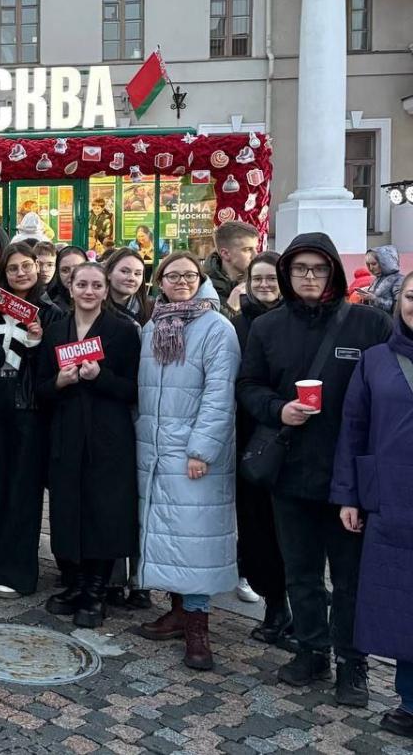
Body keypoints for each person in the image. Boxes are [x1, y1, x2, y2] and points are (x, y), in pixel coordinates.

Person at [237, 233, 390, 705]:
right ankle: (311, 649)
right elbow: (248, 385)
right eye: (300, 268)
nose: (309, 277)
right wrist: (278, 409)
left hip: (348, 477)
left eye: (318, 268)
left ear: (333, 273)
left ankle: (352, 663)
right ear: (287, 273)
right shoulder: (268, 327)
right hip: (290, 470)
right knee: (300, 571)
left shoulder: (369, 323)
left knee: (349, 578)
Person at [135, 252, 239, 672]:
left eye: (189, 275)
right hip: (155, 448)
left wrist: (202, 449)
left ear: (201, 279)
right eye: (172, 275)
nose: (181, 281)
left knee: (194, 538)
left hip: (193, 452)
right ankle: (177, 610)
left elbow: (220, 393)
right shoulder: (153, 326)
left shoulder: (216, 327)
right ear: (160, 281)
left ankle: (198, 627)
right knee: (168, 535)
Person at [36, 262, 140, 628]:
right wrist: (60, 382)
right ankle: (75, 583)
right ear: (71, 287)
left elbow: (134, 389)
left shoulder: (123, 331)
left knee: (103, 511)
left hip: (108, 436)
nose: (89, 291)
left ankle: (96, 589)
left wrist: (101, 376)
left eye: (96, 285)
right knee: (67, 509)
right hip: (67, 433)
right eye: (82, 284)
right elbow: (40, 388)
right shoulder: (55, 331)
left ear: (106, 289)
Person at [333, 272, 413, 739]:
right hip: (393, 500)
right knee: (402, 600)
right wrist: (349, 495)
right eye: (412, 297)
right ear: (399, 301)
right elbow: (354, 428)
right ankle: (410, 700)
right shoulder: (376, 360)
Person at [0, 242, 64, 598]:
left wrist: (36, 342)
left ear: (37, 268)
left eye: (26, 266)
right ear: (3, 272)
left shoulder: (51, 312)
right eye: (12, 268)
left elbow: (50, 368)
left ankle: (16, 571)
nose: (20, 273)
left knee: (23, 492)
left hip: (29, 412)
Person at [231, 252, 292, 649]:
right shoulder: (237, 325)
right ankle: (274, 605)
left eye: (272, 279)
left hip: (292, 437)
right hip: (250, 438)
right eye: (259, 279)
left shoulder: (296, 322)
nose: (265, 285)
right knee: (257, 527)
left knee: (290, 528)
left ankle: (294, 605)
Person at [205, 220, 261, 315]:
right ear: (225, 254)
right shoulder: (202, 288)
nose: (256, 255)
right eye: (248, 249)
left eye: (256, 248)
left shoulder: (262, 283)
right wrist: (231, 308)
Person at [104, 248, 152, 327]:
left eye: (137, 274)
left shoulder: (152, 310)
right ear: (109, 273)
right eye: (124, 271)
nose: (132, 278)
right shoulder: (93, 307)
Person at [358, 245, 403, 314]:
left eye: (374, 264)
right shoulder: (377, 279)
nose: (371, 268)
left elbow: (399, 307)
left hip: (388, 320)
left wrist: (374, 298)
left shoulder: (398, 280)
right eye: (368, 264)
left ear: (385, 262)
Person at [46, 245, 87, 311]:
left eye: (78, 269)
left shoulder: (101, 303)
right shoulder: (49, 309)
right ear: (58, 273)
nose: (72, 275)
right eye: (65, 270)